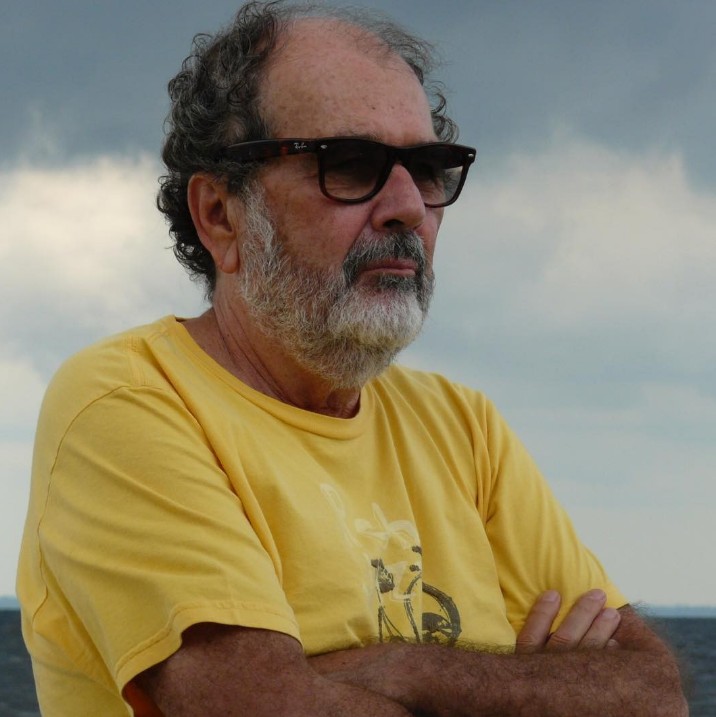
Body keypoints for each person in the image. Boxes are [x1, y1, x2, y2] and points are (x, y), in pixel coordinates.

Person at [17, 2, 687, 715]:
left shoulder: (464, 429)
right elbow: (263, 709)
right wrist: (537, 690)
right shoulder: (127, 403)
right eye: (349, 165)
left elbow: (654, 694)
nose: (408, 207)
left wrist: (404, 670)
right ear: (220, 214)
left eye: (427, 169)